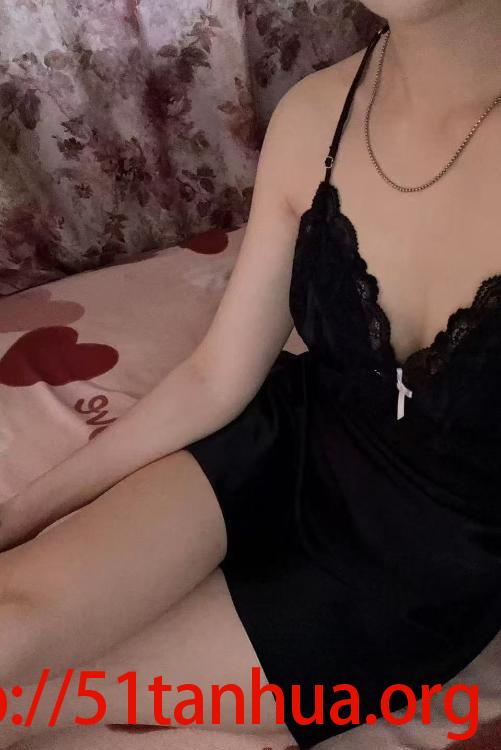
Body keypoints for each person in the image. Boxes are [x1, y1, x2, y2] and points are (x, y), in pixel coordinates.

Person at [1, 1, 501, 747]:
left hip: (415, 575)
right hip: (283, 444)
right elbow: (215, 376)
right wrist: (21, 515)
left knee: (36, 699)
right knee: (11, 626)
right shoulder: (316, 115)